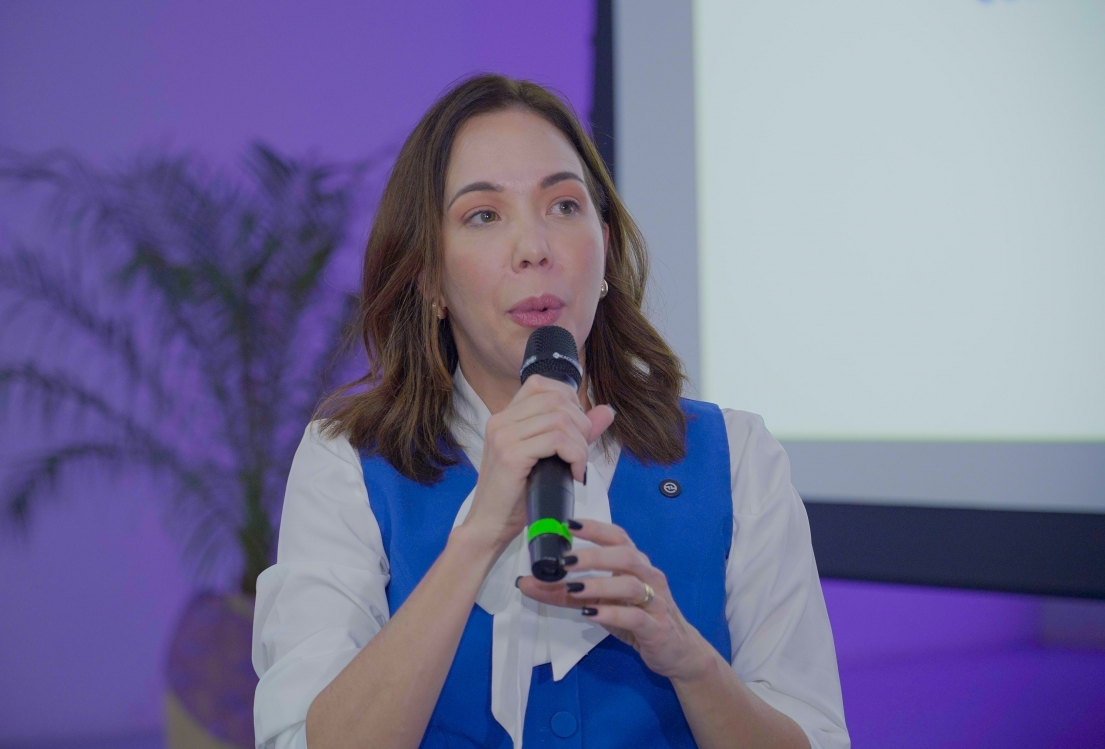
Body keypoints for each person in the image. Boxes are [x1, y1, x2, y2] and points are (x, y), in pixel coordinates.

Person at [251, 74, 848, 749]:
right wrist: (478, 537)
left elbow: (817, 737)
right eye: (484, 215)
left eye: (564, 205)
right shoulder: (347, 464)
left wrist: (690, 659)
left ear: (605, 246)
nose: (534, 247)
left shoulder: (734, 454)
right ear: (430, 278)